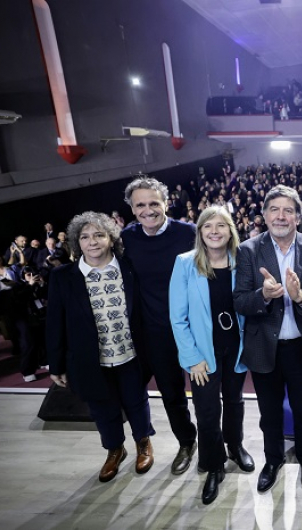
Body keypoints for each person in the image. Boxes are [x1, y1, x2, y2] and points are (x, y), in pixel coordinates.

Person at [233, 185, 302, 493]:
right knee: (269, 412)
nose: (281, 216)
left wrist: (301, 296)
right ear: (264, 215)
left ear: (298, 217)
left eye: (288, 210)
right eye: (274, 209)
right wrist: (262, 295)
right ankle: (273, 460)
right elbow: (239, 301)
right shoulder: (249, 250)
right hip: (265, 347)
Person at [46, 212, 155, 483]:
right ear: (76, 242)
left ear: (110, 238)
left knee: (136, 401)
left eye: (99, 235)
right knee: (101, 407)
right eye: (85, 237)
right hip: (89, 359)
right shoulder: (63, 276)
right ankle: (114, 449)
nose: (92, 242)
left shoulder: (129, 267)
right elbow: (55, 323)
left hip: (130, 353)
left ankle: (143, 442)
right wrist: (56, 364)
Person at [170, 206, 254, 505]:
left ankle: (235, 446)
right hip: (202, 354)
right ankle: (214, 465)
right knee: (206, 411)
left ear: (231, 231)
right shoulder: (185, 264)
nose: (215, 231)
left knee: (234, 402)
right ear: (200, 232)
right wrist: (192, 358)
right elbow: (178, 318)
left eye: (222, 225)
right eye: (208, 226)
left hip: (236, 348)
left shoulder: (242, 261)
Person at [121, 176, 198, 475]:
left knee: (206, 393)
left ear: (166, 203)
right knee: (171, 394)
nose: (148, 210)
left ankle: (221, 444)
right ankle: (187, 442)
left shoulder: (189, 233)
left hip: (191, 329)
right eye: (140, 204)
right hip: (153, 332)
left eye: (154, 203)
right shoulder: (126, 239)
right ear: (132, 208)